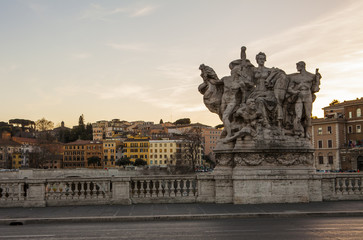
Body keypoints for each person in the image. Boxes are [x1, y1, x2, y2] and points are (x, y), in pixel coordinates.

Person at [288, 61, 321, 138]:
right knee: (298, 116)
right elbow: (289, 89)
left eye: (297, 66)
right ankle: (297, 132)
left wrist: (318, 79)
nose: (297, 68)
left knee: (308, 116)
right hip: (299, 96)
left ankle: (307, 132)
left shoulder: (311, 76)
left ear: (302, 66)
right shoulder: (295, 78)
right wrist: (295, 91)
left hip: (307, 95)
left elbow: (315, 89)